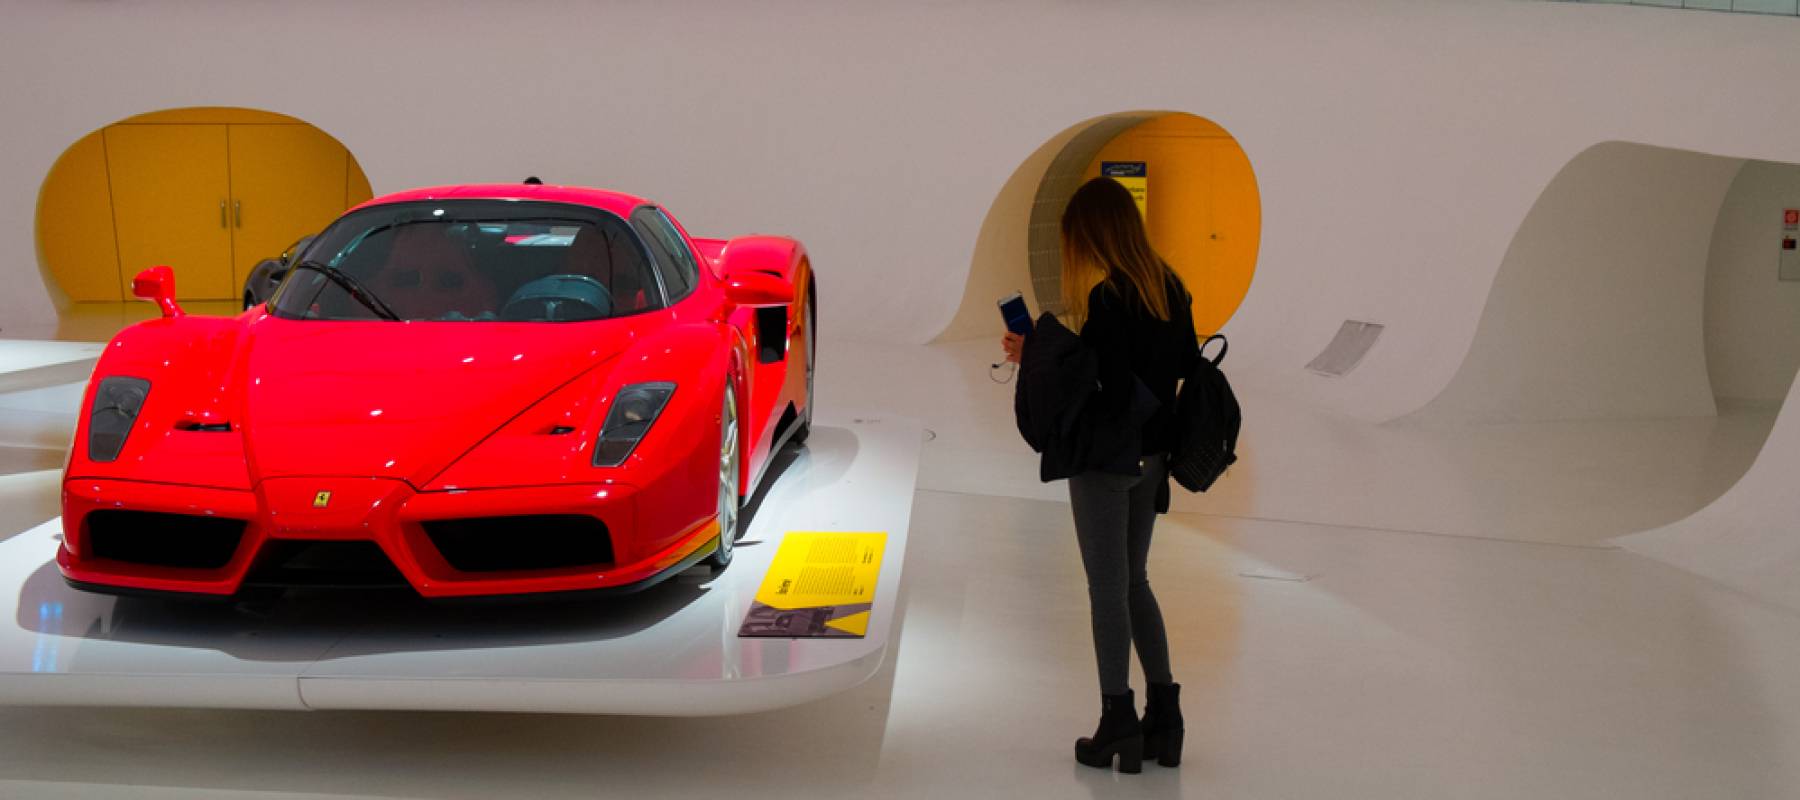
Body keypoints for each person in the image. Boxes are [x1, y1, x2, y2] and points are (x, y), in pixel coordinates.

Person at [1003, 177, 1198, 774]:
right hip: (1154, 458)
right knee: (1135, 582)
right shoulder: (1172, 288)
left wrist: (1033, 354)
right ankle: (1165, 717)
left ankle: (1118, 720)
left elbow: (1102, 390)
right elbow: (1183, 366)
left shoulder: (1112, 300)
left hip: (1108, 463)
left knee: (1107, 590)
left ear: (1091, 234)